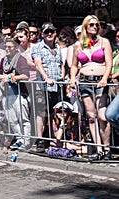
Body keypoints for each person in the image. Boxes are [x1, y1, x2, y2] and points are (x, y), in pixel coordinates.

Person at [70, 15, 113, 160]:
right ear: (85, 26)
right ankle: (99, 149)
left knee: (102, 116)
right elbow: (74, 65)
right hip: (85, 82)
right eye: (91, 25)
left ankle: (107, 149)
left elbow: (109, 63)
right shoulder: (78, 45)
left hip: (100, 82)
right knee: (91, 116)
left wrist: (105, 78)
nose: (95, 27)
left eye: (97, 25)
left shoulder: (104, 42)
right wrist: (71, 79)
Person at [31, 22, 64, 153]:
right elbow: (38, 65)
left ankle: (53, 139)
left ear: (55, 33)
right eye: (46, 32)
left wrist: (62, 78)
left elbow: (61, 64)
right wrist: (46, 78)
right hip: (42, 86)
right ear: (42, 34)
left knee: (55, 113)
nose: (49, 34)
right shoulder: (37, 47)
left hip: (57, 85)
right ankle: (39, 140)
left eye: (52, 31)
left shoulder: (58, 48)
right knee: (41, 113)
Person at [0, 38, 31, 149]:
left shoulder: (21, 59)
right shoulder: (4, 60)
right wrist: (5, 78)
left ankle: (26, 141)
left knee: (23, 118)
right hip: (7, 93)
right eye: (5, 47)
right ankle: (19, 138)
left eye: (10, 47)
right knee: (12, 119)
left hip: (20, 92)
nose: (7, 49)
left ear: (16, 48)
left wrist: (12, 78)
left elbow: (26, 75)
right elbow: (0, 74)